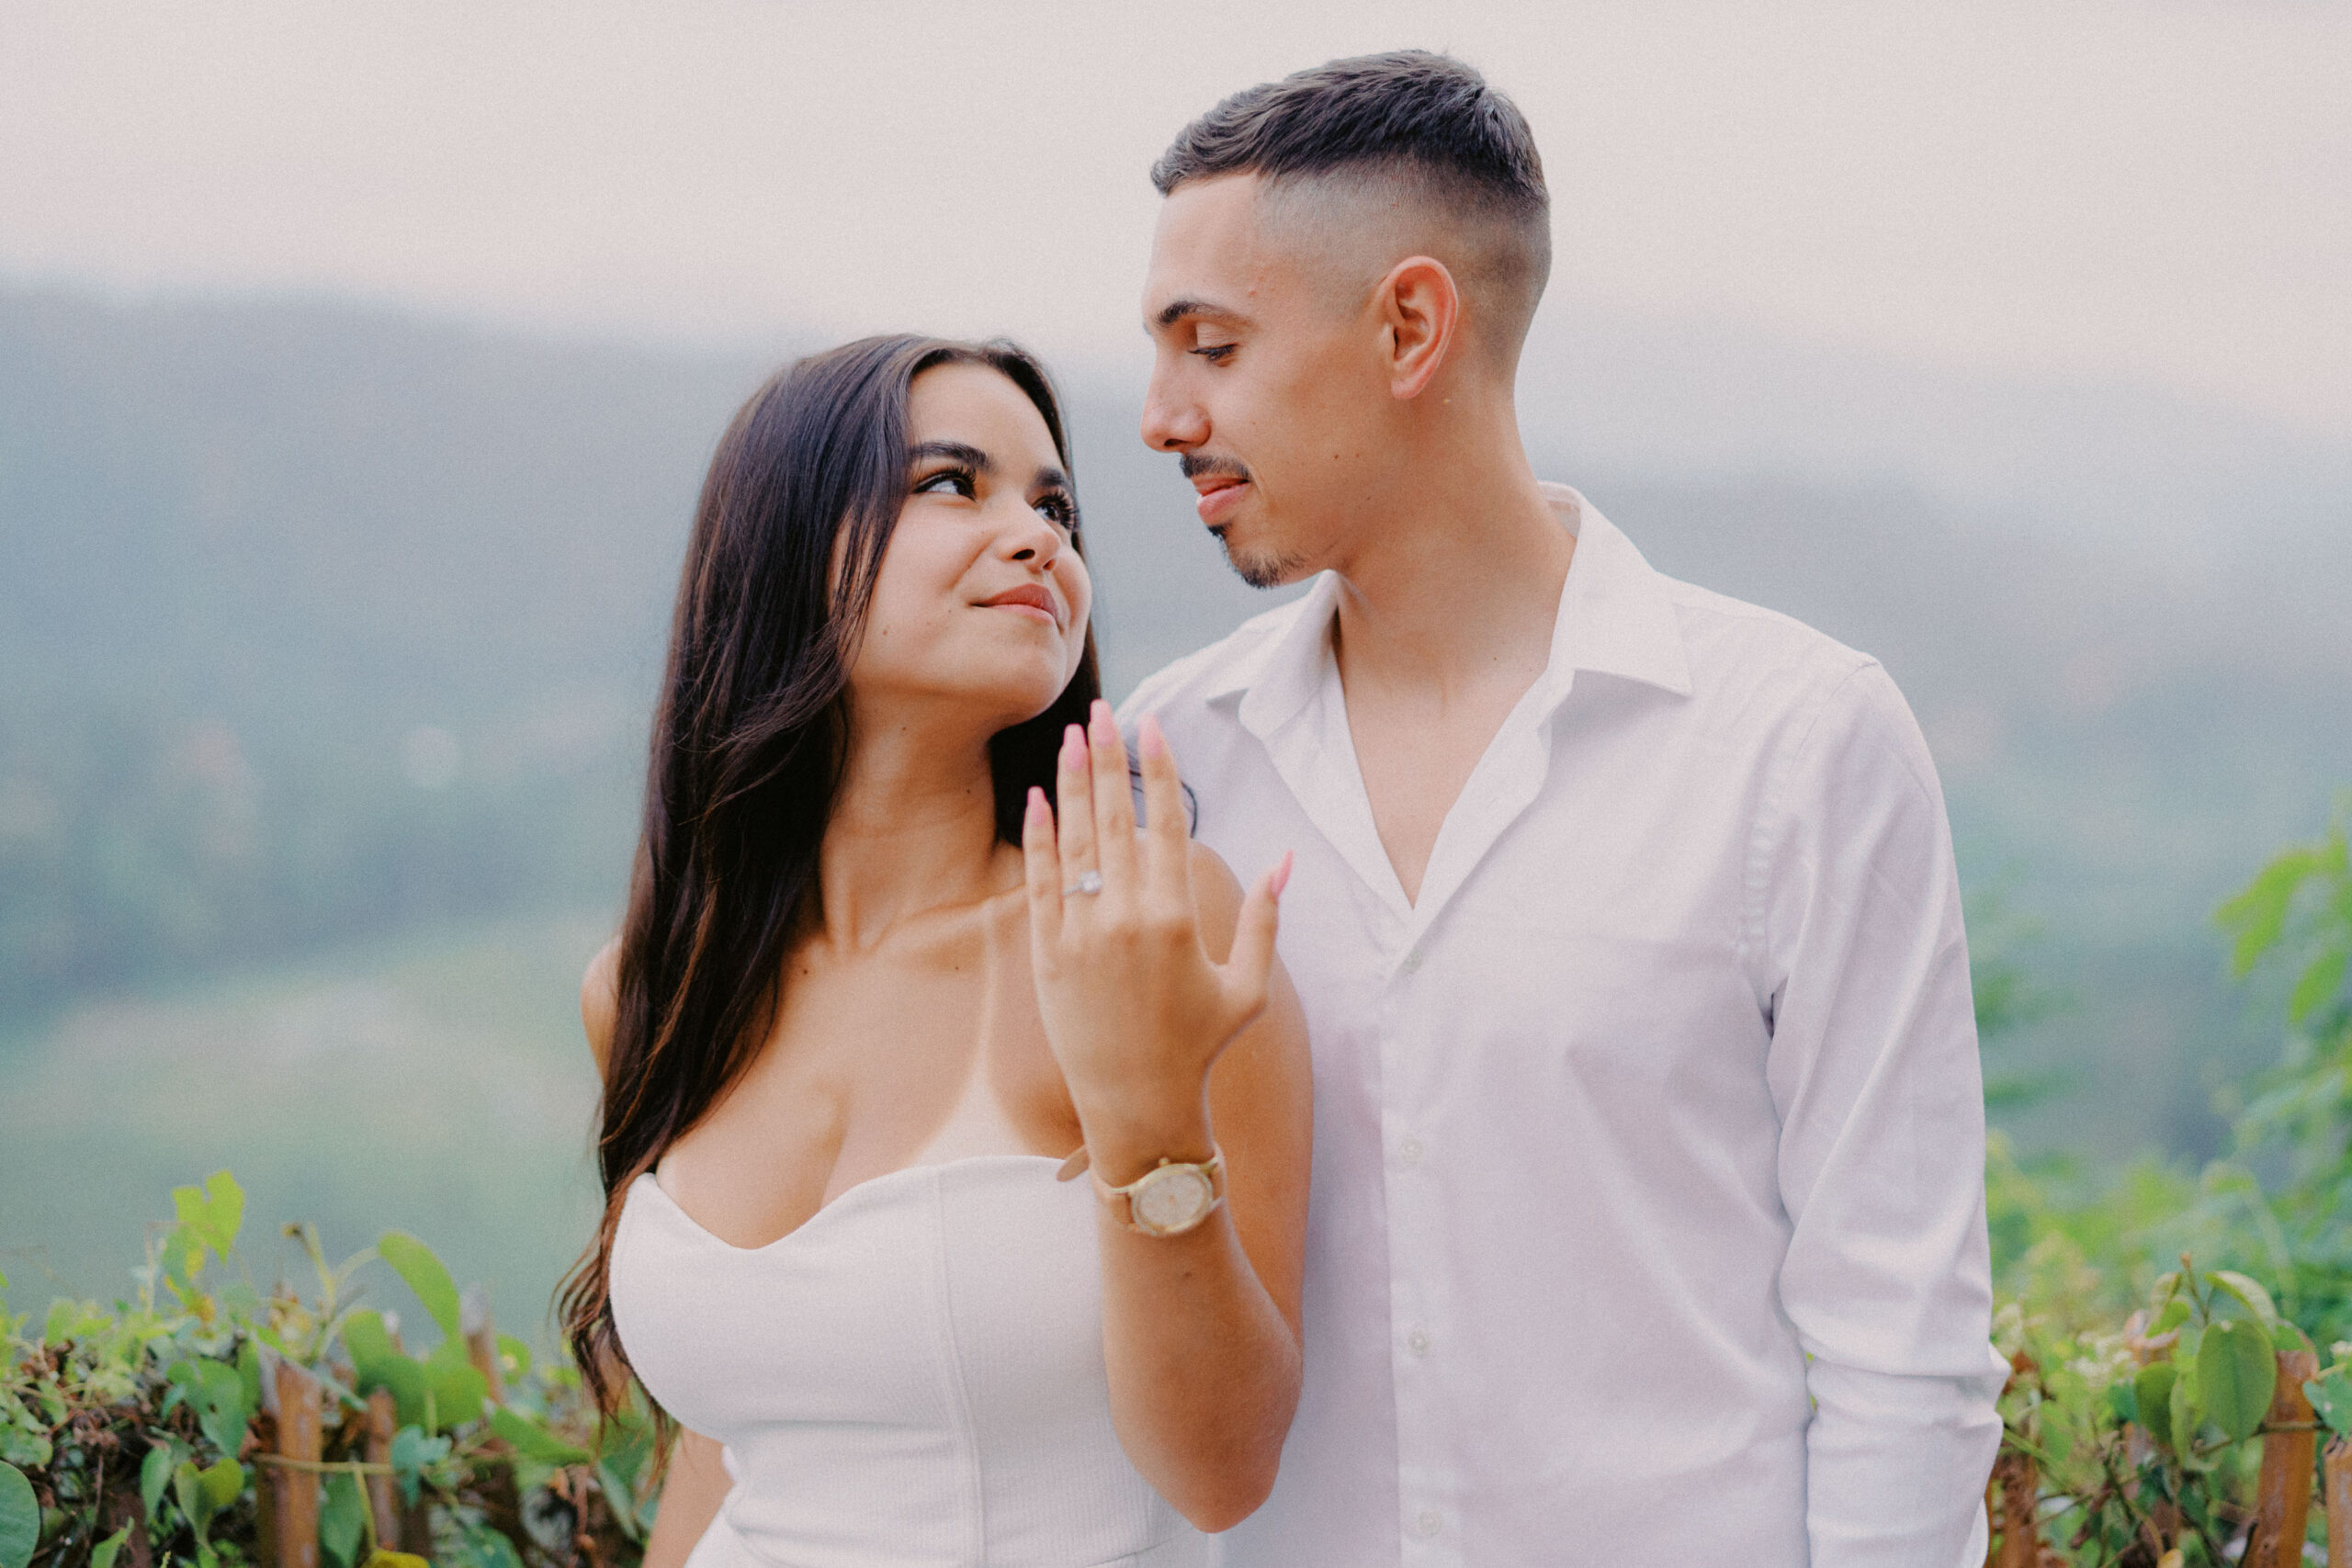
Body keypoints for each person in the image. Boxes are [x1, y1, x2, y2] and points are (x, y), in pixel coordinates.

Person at [1121, 51, 2008, 1565]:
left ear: (1411, 325)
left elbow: (1901, 1349)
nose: (1159, 417)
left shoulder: (1794, 741)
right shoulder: (1172, 760)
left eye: (1212, 346)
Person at [559, 335, 1312, 1568]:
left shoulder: (1142, 927)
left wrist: (1145, 1113)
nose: (1038, 539)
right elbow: (731, 1451)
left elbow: (1226, 1473)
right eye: (953, 484)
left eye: (1054, 504)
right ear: (788, 552)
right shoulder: (655, 987)